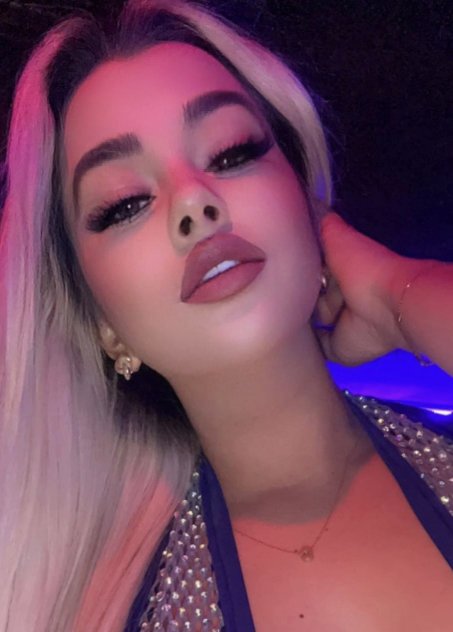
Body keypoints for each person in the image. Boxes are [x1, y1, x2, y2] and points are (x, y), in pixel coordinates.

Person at [1, 1, 452, 630]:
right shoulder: (117, 610)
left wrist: (408, 294)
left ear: (306, 202)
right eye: (125, 203)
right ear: (103, 322)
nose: (194, 201)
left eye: (231, 152)